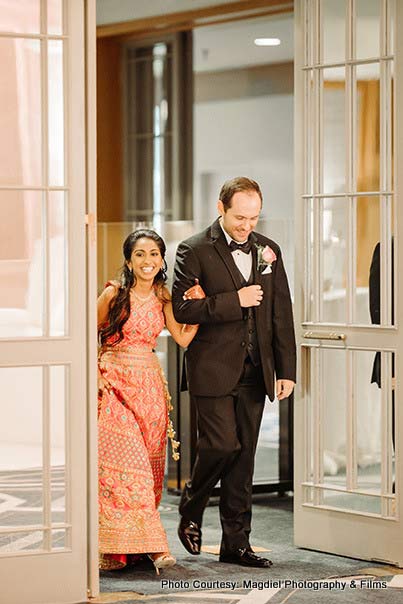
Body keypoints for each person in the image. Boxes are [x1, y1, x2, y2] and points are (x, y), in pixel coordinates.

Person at [172, 177, 296, 568]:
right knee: (222, 445)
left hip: (256, 370)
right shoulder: (192, 250)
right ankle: (191, 504)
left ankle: (236, 544)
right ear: (220, 208)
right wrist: (234, 301)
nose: (247, 226)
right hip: (211, 368)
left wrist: (286, 368)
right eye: (240, 217)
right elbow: (182, 310)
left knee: (244, 460)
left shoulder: (268, 251)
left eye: (254, 218)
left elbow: (280, 313)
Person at [97, 229, 204, 573]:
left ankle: (132, 548)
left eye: (154, 254)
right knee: (129, 470)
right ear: (129, 261)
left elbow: (184, 337)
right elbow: (85, 332)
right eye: (140, 254)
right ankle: (151, 547)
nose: (148, 261)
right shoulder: (114, 294)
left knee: (152, 467)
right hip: (114, 384)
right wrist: (95, 375)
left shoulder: (164, 297)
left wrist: (198, 303)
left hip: (150, 388)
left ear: (162, 260)